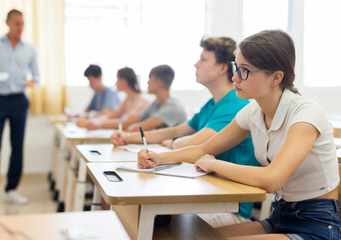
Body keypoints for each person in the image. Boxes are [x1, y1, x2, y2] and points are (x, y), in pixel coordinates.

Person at [139, 30, 341, 239]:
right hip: (279, 217)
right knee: (191, 236)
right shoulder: (253, 111)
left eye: (244, 70)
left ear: (276, 77)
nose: (235, 77)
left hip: (318, 225)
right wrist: (159, 158)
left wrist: (215, 164)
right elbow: (204, 149)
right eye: (237, 67)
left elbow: (272, 179)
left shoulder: (306, 114)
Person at [113, 37, 258, 226]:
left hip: (228, 204)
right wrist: (128, 138)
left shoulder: (235, 104)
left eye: (203, 59)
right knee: (138, 213)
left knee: (151, 219)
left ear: (222, 68)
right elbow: (177, 129)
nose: (196, 64)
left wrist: (174, 142)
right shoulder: (212, 104)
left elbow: (195, 144)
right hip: (206, 192)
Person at [0, 9, 39, 211]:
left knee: (17, 146)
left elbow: (38, 76)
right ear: (8, 23)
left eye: (23, 24)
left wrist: (32, 82)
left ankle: (11, 190)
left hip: (19, 100)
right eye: (17, 24)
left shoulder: (30, 49)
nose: (20, 28)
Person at [109, 64, 186, 132]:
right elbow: (134, 119)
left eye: (150, 78)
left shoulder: (173, 106)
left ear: (159, 83)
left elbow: (141, 127)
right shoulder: (155, 103)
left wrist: (130, 127)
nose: (147, 82)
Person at [77, 67, 150, 130]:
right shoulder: (128, 99)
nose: (115, 84)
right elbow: (112, 115)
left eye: (117, 80)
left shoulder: (142, 100)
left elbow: (126, 122)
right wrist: (92, 121)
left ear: (124, 82)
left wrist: (99, 123)